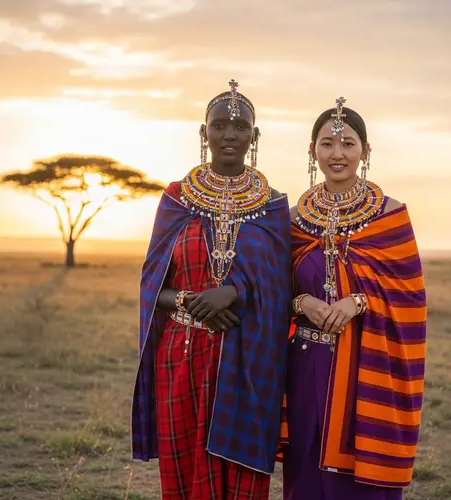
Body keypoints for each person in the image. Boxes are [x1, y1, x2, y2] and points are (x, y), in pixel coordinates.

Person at [131, 80, 292, 499]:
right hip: (182, 355)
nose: (229, 135)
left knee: (240, 477)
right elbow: (153, 287)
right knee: (186, 468)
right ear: (204, 133)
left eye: (240, 128)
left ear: (254, 137)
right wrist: (193, 301)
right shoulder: (177, 199)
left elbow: (278, 287)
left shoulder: (272, 206)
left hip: (248, 362)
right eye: (220, 126)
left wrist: (233, 292)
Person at [280, 97, 427, 500]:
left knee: (360, 483)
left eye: (348, 144)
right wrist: (302, 303)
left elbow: (409, 298)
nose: (337, 154)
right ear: (313, 150)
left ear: (365, 150)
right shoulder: (293, 219)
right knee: (306, 475)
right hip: (307, 367)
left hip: (368, 366)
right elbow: (276, 292)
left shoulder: (390, 217)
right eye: (327, 143)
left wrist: (357, 303)